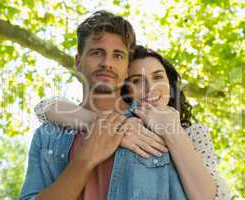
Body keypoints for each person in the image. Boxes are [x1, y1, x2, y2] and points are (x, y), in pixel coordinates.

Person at [19, 11, 218, 200]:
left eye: (118, 55)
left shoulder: (157, 126)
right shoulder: (47, 136)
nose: (107, 62)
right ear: (78, 62)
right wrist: (86, 158)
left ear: (127, 68)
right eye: (97, 53)